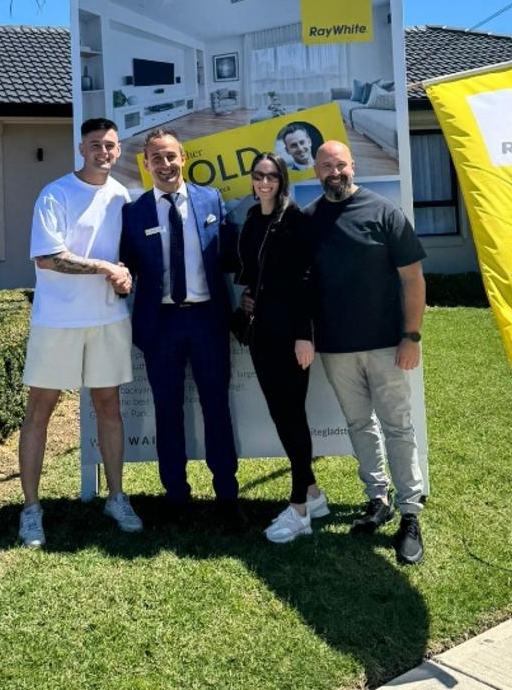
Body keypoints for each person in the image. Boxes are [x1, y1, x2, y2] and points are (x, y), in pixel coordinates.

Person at [18, 118, 142, 548]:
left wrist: (123, 276)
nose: (102, 152)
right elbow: (48, 258)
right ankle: (31, 509)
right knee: (40, 411)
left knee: (108, 407)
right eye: (95, 145)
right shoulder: (55, 193)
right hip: (58, 320)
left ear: (119, 149)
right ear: (81, 148)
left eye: (109, 145)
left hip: (108, 318)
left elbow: (125, 258)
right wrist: (106, 268)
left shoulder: (121, 195)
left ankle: (116, 497)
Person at [306, 140, 427, 565]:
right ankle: (378, 499)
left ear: (352, 166)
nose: (334, 172)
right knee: (359, 424)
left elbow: (413, 278)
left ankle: (411, 512)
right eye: (326, 166)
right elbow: (300, 284)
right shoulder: (309, 220)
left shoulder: (384, 212)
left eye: (340, 164)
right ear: (315, 171)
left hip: (387, 346)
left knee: (397, 426)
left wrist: (411, 336)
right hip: (337, 348)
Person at [119, 128, 240, 521]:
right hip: (161, 325)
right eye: (156, 158)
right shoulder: (134, 212)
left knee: (217, 408)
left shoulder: (211, 200)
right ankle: (176, 498)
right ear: (147, 164)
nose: (165, 164)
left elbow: (232, 255)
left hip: (208, 320)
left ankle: (227, 497)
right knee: (167, 410)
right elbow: (126, 266)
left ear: (183, 158)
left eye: (171, 156)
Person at [236, 152, 328, 543]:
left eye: (272, 176)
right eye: (259, 176)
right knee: (280, 415)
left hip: (291, 335)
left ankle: (299, 511)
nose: (265, 182)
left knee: (292, 417)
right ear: (253, 179)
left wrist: (305, 334)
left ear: (282, 179)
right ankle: (313, 493)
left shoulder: (294, 220)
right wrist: (246, 297)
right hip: (262, 335)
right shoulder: (252, 220)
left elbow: (307, 278)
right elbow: (254, 274)